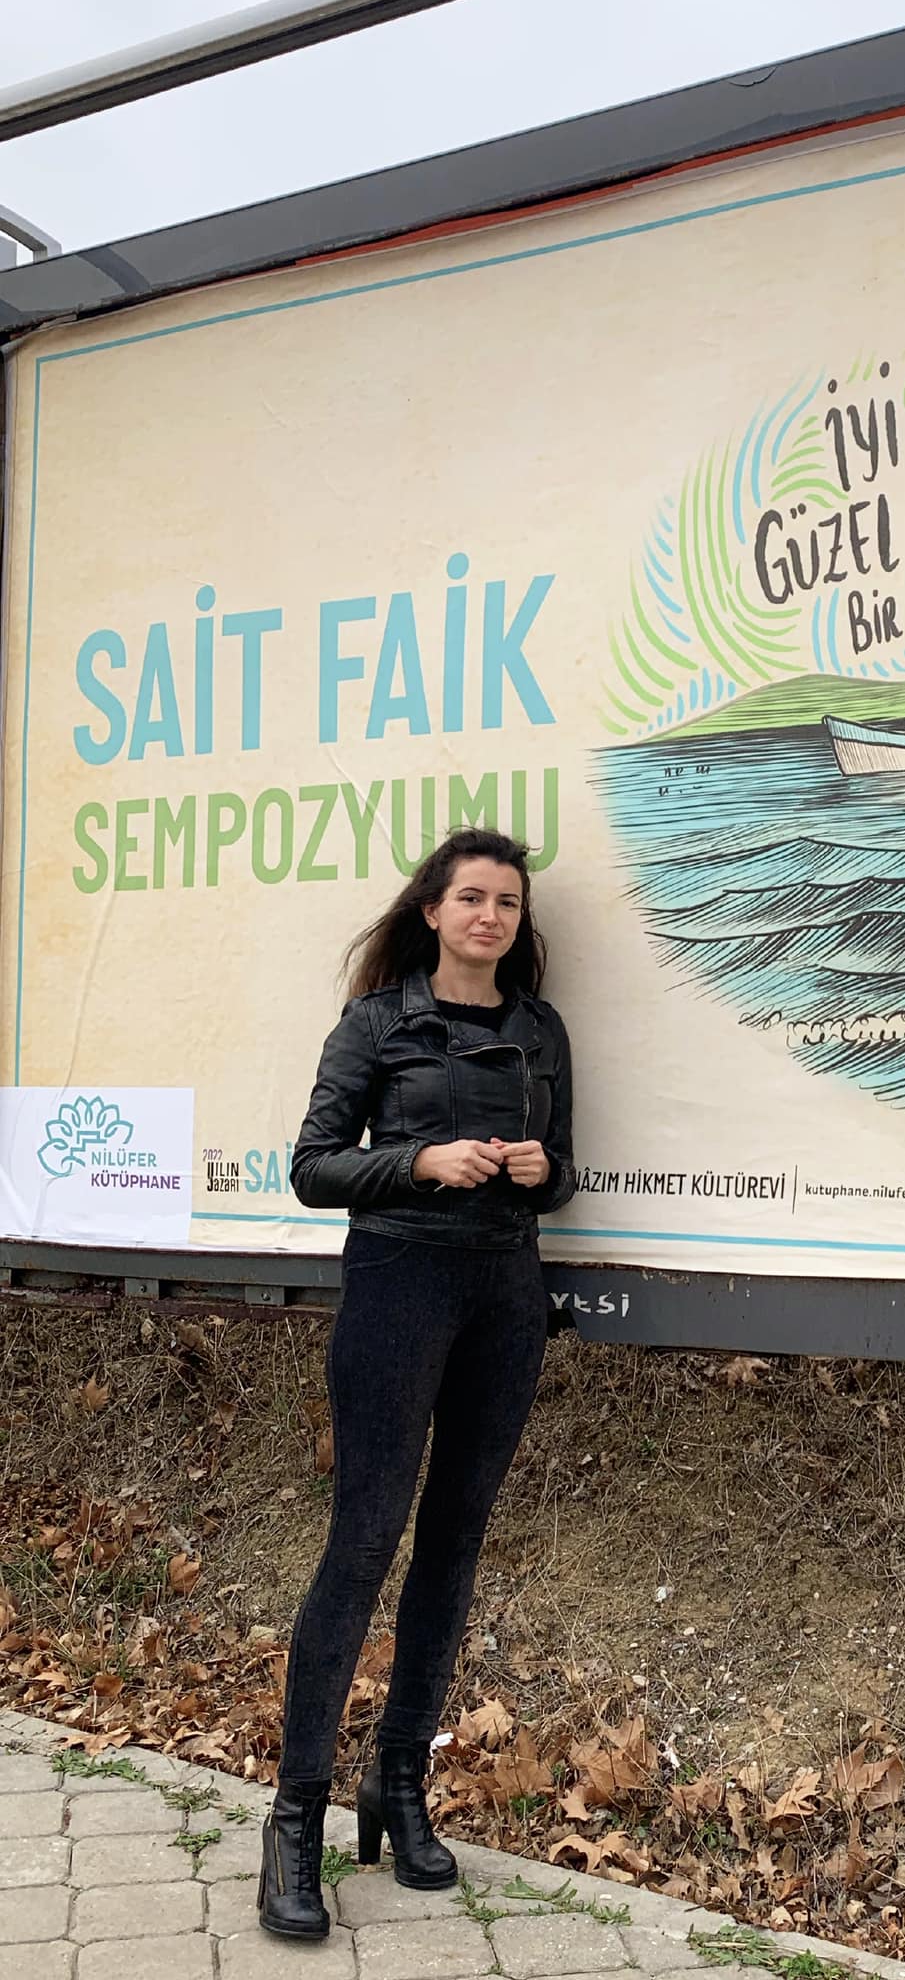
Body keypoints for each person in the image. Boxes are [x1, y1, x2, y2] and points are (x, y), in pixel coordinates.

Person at [258, 827, 575, 1941]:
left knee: (453, 1543)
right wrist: (420, 1161)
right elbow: (312, 1168)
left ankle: (399, 1784)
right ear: (433, 910)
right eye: (472, 897)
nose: (491, 916)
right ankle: (294, 1820)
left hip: (505, 1297)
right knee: (363, 1542)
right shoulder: (377, 1022)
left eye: (508, 902)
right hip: (398, 1283)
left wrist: (542, 1170)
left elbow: (564, 1174)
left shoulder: (540, 1029)